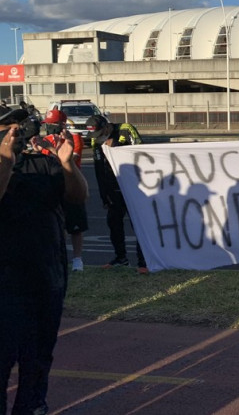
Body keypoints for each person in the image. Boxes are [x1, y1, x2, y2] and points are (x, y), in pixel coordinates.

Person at [0, 107, 88, 414]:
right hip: (4, 287)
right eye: (6, 128)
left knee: (37, 358)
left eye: (17, 127)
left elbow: (77, 196)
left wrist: (66, 164)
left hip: (45, 278)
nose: (14, 133)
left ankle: (33, 406)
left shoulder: (43, 164)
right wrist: (6, 163)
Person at [85, 114, 148, 273]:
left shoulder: (125, 130)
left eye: (100, 133)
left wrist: (116, 149)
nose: (98, 138)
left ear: (106, 127)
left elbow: (143, 155)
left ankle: (144, 261)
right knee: (113, 223)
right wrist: (103, 195)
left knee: (139, 225)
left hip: (134, 187)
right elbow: (99, 168)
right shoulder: (95, 139)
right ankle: (121, 258)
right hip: (112, 189)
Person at [39, 109, 88, 272]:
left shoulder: (74, 138)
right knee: (54, 223)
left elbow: (68, 160)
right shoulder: (45, 139)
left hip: (72, 183)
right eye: (48, 124)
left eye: (53, 124)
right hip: (53, 184)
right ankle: (57, 256)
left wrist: (51, 150)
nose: (50, 127)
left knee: (75, 224)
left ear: (62, 124)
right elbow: (44, 162)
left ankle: (77, 259)